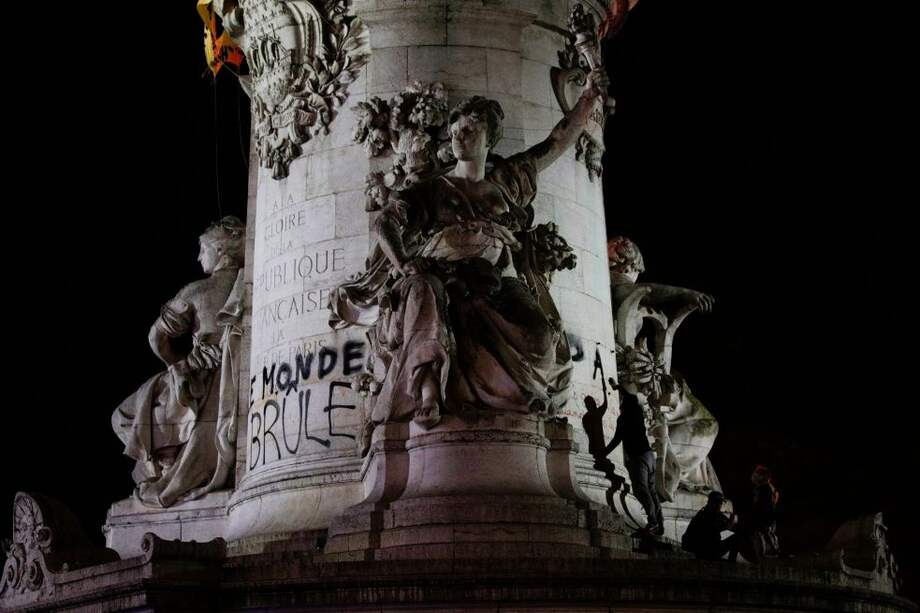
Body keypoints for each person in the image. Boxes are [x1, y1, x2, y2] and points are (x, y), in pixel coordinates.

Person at [330, 68, 609, 427]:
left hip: (497, 281)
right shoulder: (430, 189)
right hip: (444, 277)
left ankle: (522, 400)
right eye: (456, 131)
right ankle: (427, 392)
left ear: (489, 137)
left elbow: (556, 142)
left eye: (470, 130)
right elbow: (386, 223)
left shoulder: (508, 181)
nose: (459, 137)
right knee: (425, 293)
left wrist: (588, 99)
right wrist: (403, 264)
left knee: (541, 339)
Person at [112, 217, 246, 507]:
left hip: (197, 374)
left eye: (202, 249)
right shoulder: (251, 287)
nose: (199, 257)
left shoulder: (196, 292)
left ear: (221, 250)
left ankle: (167, 464)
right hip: (234, 378)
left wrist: (176, 365)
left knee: (122, 415)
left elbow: (155, 338)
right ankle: (171, 461)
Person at [605, 391, 664, 536]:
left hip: (639, 457)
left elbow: (617, 439)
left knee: (641, 490)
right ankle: (660, 522)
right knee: (651, 491)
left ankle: (653, 523)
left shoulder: (624, 418)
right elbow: (631, 398)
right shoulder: (638, 414)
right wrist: (618, 387)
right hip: (649, 456)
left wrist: (604, 452)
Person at [736, 465, 781, 561]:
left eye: (756, 475)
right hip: (766, 516)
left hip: (764, 516)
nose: (753, 477)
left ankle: (769, 554)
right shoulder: (767, 488)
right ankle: (766, 554)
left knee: (764, 535)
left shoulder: (764, 488)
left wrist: (756, 514)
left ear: (762, 476)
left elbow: (762, 504)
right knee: (763, 535)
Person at [682, 491, 739, 560]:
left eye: (720, 503)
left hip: (700, 552)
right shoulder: (709, 515)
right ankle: (731, 564)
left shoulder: (704, 513)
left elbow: (730, 525)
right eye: (717, 502)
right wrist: (733, 514)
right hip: (710, 551)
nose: (719, 505)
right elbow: (729, 526)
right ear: (710, 502)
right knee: (736, 539)